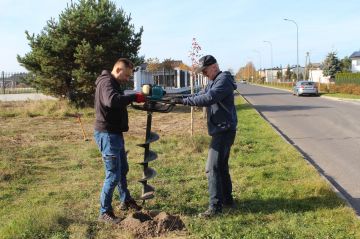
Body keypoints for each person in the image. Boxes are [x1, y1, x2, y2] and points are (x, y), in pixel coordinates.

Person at [171, 55, 238, 218]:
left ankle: (215, 207)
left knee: (211, 168)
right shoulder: (213, 81)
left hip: (224, 131)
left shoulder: (224, 80)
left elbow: (209, 98)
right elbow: (201, 94)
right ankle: (228, 200)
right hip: (221, 130)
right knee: (221, 167)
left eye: (205, 71)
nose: (204, 74)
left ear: (214, 67)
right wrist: (179, 99)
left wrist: (182, 102)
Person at [94, 58, 146, 223]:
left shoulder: (113, 83)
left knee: (122, 169)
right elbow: (112, 101)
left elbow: (117, 98)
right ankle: (104, 212)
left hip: (115, 134)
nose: (127, 79)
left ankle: (125, 200)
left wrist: (131, 97)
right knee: (113, 175)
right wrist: (133, 97)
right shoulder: (106, 82)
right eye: (127, 75)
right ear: (118, 70)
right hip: (107, 135)